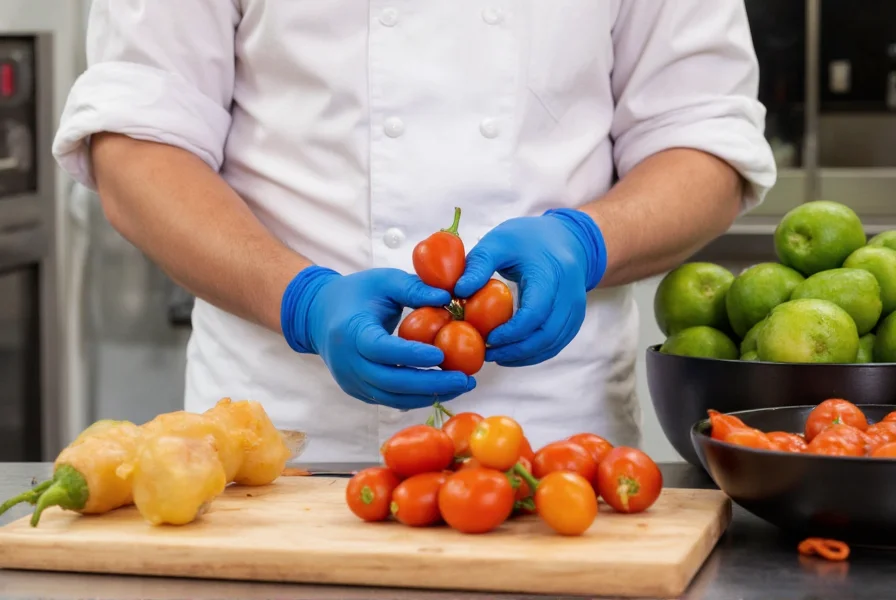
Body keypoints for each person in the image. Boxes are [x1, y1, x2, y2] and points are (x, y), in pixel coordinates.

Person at [53, 1, 776, 462]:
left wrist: (586, 242)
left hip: (553, 443)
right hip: (278, 437)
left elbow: (704, 136)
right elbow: (139, 145)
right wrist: (300, 301)